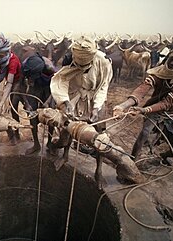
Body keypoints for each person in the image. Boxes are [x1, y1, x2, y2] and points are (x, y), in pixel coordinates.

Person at [113, 45, 173, 163]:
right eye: (172, 59)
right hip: (154, 108)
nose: (172, 64)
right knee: (144, 133)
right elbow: (143, 89)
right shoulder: (158, 71)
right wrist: (123, 106)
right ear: (167, 58)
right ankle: (133, 160)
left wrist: (143, 110)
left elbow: (167, 103)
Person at [49, 37, 114, 185]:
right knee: (67, 126)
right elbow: (61, 81)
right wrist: (65, 102)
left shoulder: (104, 62)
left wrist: (96, 108)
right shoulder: (69, 59)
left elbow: (103, 86)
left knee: (100, 137)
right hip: (74, 95)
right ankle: (65, 155)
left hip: (94, 97)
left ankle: (99, 170)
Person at [21, 48, 56, 155]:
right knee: (31, 114)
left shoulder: (49, 68)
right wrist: (26, 103)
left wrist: (48, 100)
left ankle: (50, 143)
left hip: (49, 87)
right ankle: (36, 144)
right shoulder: (25, 67)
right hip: (36, 86)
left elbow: (56, 86)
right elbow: (21, 85)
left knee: (51, 114)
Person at [0, 33, 23, 145]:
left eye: (1, 55)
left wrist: (1, 104)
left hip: (18, 81)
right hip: (7, 79)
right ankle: (10, 136)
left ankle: (17, 135)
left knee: (13, 106)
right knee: (2, 109)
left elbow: (9, 83)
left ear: (7, 52)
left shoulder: (13, 61)